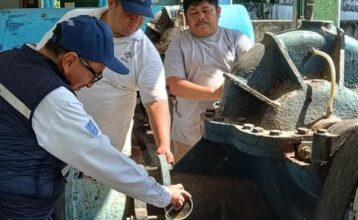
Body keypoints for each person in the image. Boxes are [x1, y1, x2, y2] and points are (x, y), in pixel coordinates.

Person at [0, 15, 190, 219]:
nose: (92, 84)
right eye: (96, 74)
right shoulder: (52, 97)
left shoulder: (8, 59)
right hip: (18, 208)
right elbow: (102, 158)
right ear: (70, 60)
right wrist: (163, 195)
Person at [38, 0, 174, 164]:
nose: (136, 20)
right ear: (112, 3)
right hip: (57, 141)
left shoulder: (144, 52)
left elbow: (155, 100)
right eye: (130, 12)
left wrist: (164, 145)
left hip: (107, 151)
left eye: (142, 15)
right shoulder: (75, 20)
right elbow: (44, 57)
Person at [164, 0, 254, 162]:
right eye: (194, 12)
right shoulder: (179, 43)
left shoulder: (237, 39)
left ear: (218, 12)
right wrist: (216, 93)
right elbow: (175, 85)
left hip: (231, 132)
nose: (201, 17)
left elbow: (254, 70)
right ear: (186, 17)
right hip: (188, 134)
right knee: (186, 182)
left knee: (229, 183)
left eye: (206, 10)